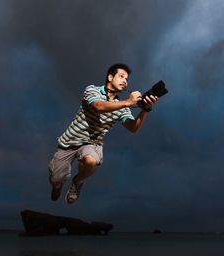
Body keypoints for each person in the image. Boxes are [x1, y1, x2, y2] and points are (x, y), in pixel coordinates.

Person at [48, 63, 159, 204]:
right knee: (56, 179)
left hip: (92, 142)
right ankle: (57, 185)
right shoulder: (92, 90)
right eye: (121, 76)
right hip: (69, 142)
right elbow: (98, 106)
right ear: (110, 77)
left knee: (91, 161)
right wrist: (128, 102)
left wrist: (145, 109)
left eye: (127, 79)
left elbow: (133, 128)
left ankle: (77, 181)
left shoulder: (122, 106)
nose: (125, 80)